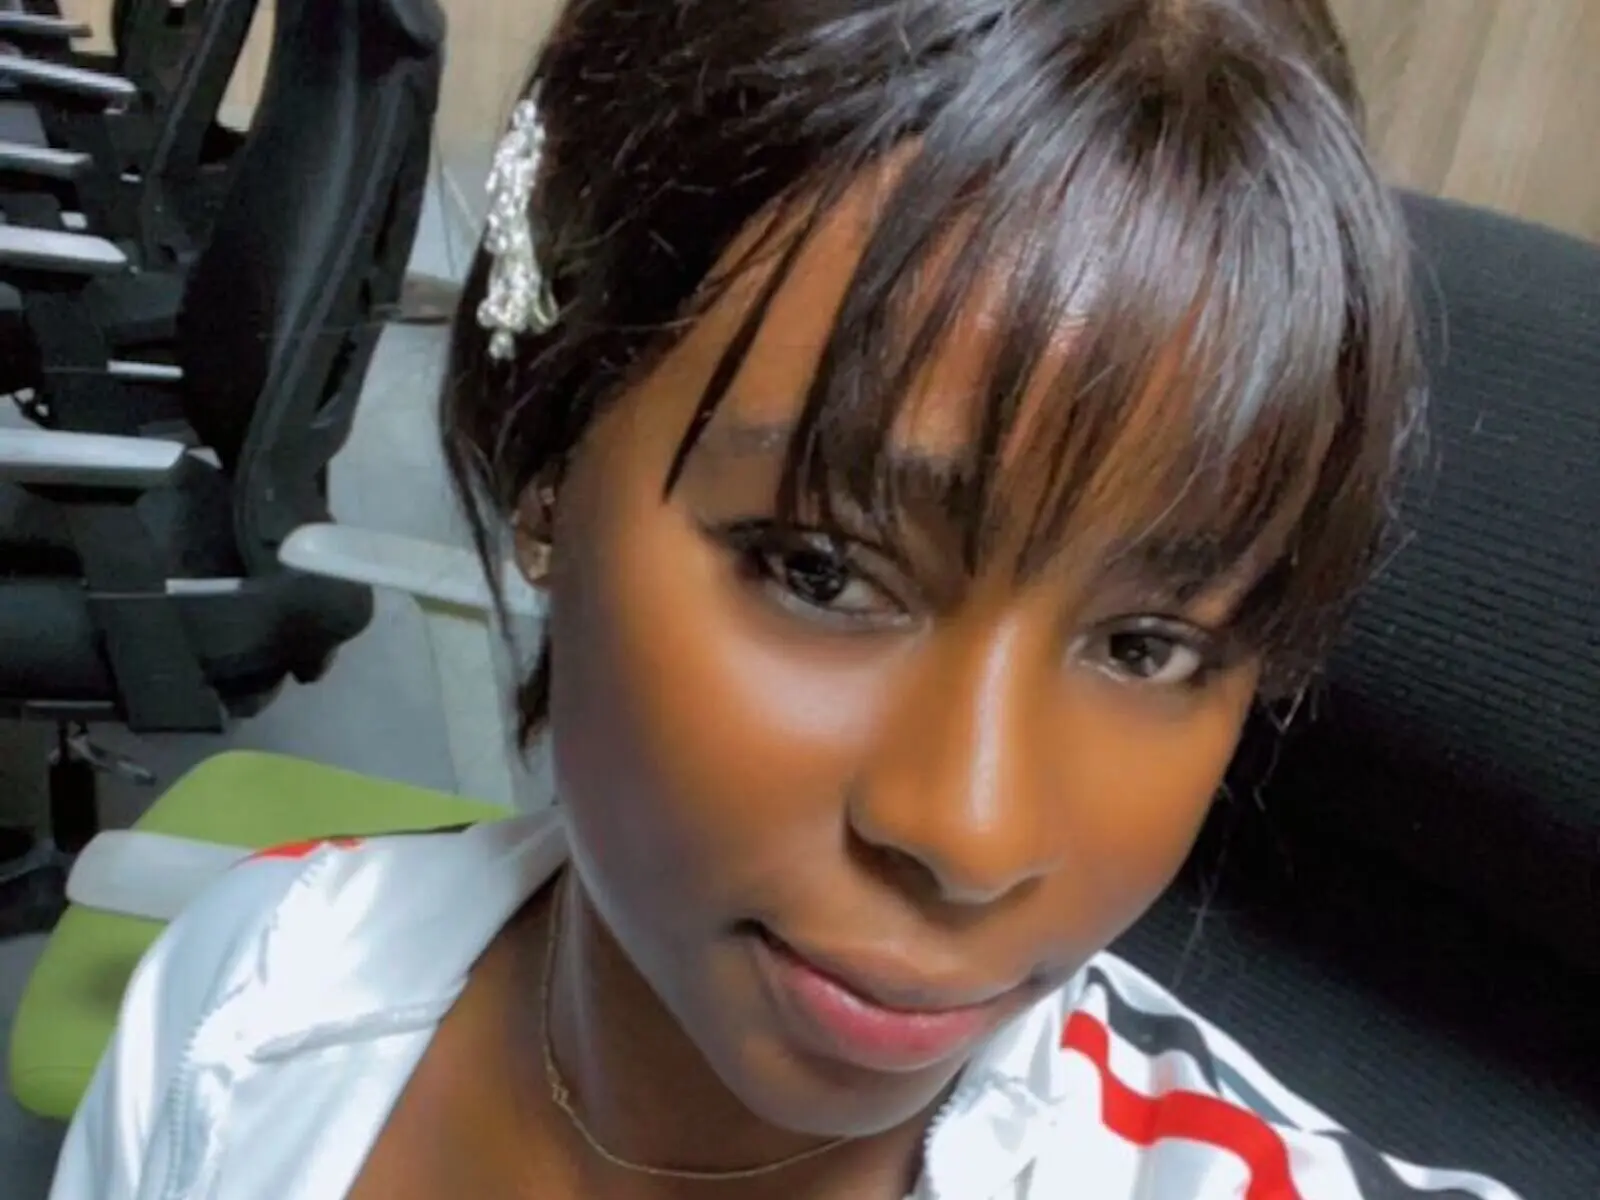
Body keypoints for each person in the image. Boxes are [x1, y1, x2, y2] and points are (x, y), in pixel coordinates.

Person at [50, 1, 1521, 1197]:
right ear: (546, 467)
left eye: (1147, 645)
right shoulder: (241, 1016)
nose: (972, 836)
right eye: (822, 570)